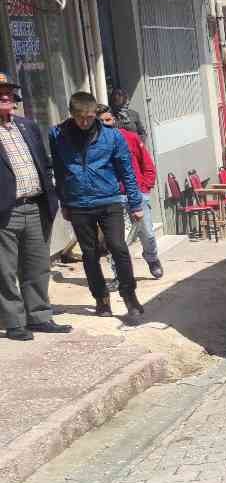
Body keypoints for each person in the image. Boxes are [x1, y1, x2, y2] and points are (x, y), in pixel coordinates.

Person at [52, 91, 144, 317]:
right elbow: (59, 169)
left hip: (108, 200)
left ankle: (129, 295)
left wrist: (135, 203)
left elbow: (127, 171)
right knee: (89, 253)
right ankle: (101, 298)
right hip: (78, 203)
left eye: (90, 117)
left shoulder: (112, 137)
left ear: (95, 114)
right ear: (72, 114)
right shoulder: (57, 135)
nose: (85, 122)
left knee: (118, 248)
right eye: (80, 117)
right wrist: (64, 202)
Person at [0, 73, 69, 341]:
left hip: (36, 207)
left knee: (37, 266)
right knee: (5, 270)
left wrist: (52, 196)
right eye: (0, 93)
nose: (5, 96)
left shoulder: (27, 126)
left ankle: (40, 316)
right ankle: (14, 322)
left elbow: (45, 163)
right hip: (6, 212)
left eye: (8, 92)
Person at [99, 105, 162, 279]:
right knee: (117, 240)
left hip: (138, 193)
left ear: (115, 120)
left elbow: (147, 165)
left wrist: (145, 187)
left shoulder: (131, 138)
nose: (105, 124)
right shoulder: (96, 145)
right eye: (100, 121)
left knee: (147, 233)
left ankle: (152, 258)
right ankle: (119, 274)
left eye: (108, 120)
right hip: (114, 197)